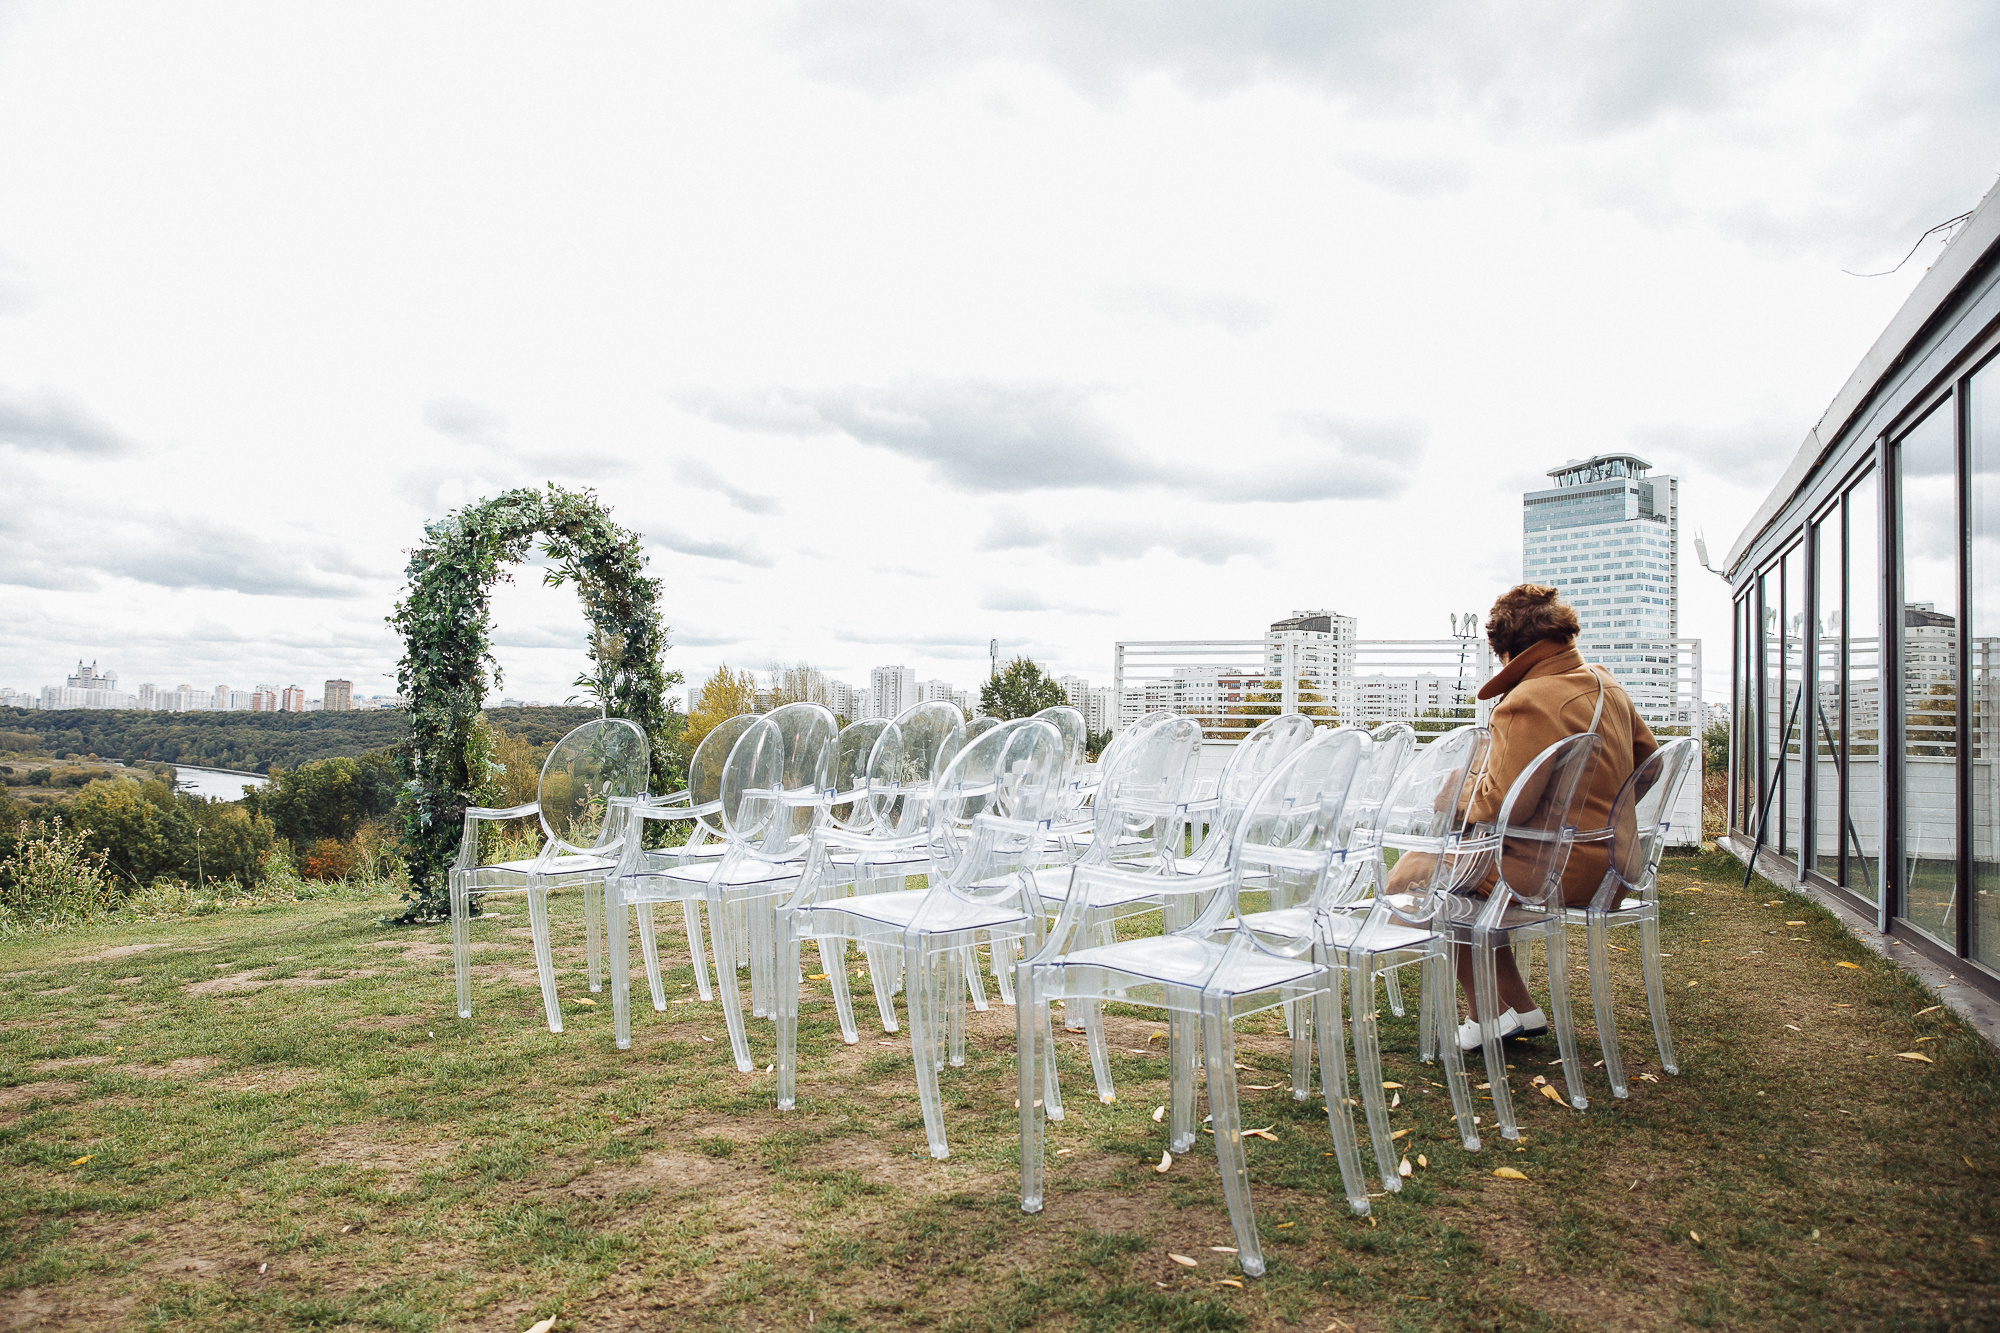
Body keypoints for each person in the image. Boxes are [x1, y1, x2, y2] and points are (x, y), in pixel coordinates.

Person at [1443, 584, 1657, 1049]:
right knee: (1469, 886)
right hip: (1616, 869)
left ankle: (1486, 1017)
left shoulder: (1526, 700)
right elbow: (1651, 764)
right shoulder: (1605, 683)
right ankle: (1522, 1009)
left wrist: (1454, 800)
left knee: (1429, 879)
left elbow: (1505, 804)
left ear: (1507, 649)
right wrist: (1599, 820)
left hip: (1552, 872)